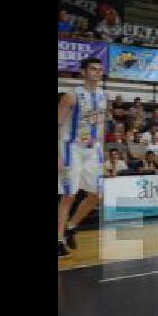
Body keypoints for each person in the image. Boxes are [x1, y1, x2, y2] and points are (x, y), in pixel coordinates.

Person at [58, 58, 108, 258]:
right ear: (83, 72)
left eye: (99, 70)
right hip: (72, 149)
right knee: (68, 196)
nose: (97, 73)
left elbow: (101, 127)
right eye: (93, 69)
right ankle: (58, 239)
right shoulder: (72, 96)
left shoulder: (104, 96)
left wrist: (102, 154)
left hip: (93, 150)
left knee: (97, 195)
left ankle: (71, 227)